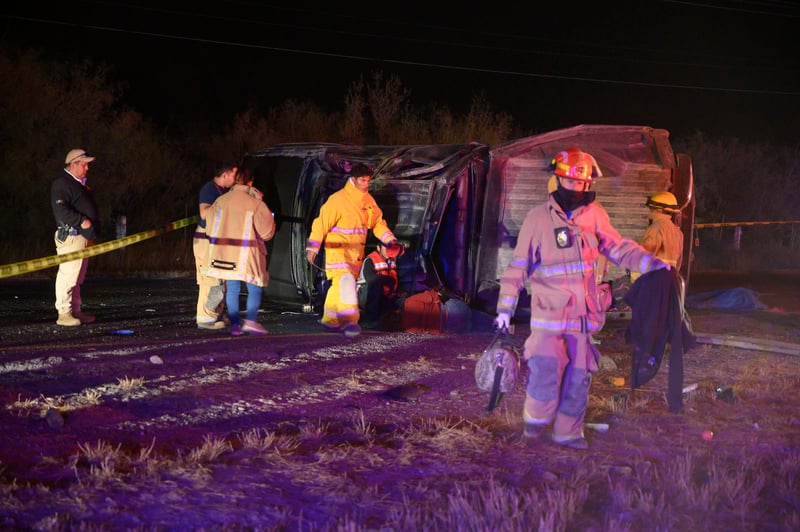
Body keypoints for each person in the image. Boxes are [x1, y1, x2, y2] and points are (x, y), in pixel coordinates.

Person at [494, 147, 671, 450]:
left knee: (578, 380)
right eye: (571, 182)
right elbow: (517, 268)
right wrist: (504, 310)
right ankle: (534, 430)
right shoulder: (538, 219)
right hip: (549, 319)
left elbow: (619, 248)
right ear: (558, 180)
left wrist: (653, 264)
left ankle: (567, 435)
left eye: (583, 184)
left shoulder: (596, 216)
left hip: (583, 320)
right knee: (546, 377)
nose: (578, 188)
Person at [306, 163, 398, 338]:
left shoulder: (368, 202)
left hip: (355, 255)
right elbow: (321, 223)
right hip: (337, 253)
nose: (365, 184)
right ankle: (350, 322)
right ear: (353, 179)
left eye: (368, 181)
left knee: (338, 286)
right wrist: (313, 247)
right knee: (346, 283)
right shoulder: (338, 200)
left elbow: (378, 224)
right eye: (362, 180)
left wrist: (390, 239)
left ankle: (330, 320)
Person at [203, 167, 276, 336]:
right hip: (247, 256)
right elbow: (266, 233)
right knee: (255, 287)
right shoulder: (255, 203)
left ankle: (235, 325)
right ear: (250, 182)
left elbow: (210, 227)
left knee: (233, 288)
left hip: (223, 255)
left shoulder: (221, 201)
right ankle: (250, 321)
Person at [51, 149, 99, 326]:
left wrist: (90, 234)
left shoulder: (78, 184)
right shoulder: (62, 183)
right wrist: (82, 221)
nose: (87, 168)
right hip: (71, 237)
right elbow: (60, 210)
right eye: (84, 164)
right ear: (73, 164)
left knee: (77, 278)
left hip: (82, 238)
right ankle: (64, 313)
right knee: (68, 275)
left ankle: (75, 311)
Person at [193, 162, 237, 329]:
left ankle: (214, 314)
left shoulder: (224, 191)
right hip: (205, 240)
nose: (234, 179)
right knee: (209, 279)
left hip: (216, 241)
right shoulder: (209, 190)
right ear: (225, 175)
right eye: (233, 175)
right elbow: (204, 213)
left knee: (220, 278)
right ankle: (205, 319)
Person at [357, 240, 405, 329]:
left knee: (403, 300)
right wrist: (388, 280)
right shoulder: (370, 260)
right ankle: (370, 321)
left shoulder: (392, 261)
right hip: (365, 295)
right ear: (378, 248)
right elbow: (371, 279)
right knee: (375, 285)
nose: (388, 250)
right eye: (386, 248)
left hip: (384, 295)